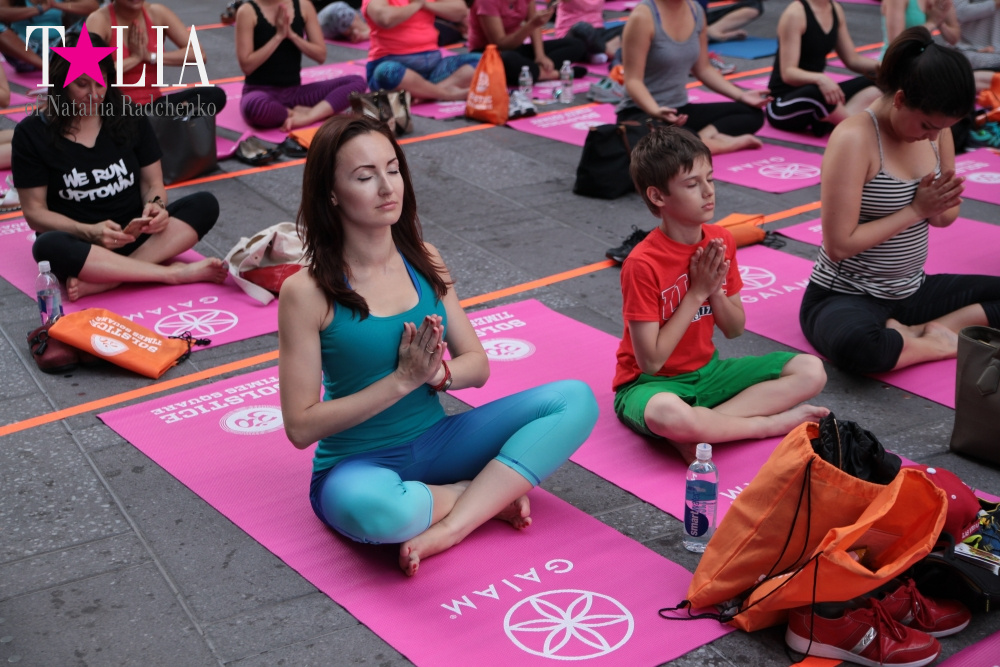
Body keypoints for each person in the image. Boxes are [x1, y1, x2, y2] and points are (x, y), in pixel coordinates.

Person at [278, 115, 599, 576]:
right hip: (357, 463)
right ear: (331, 194)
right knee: (383, 515)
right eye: (365, 177)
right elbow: (301, 427)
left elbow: (477, 365)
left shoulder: (424, 259)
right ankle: (478, 494)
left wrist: (438, 375)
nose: (387, 186)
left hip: (439, 441)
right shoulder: (305, 292)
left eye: (393, 169)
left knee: (575, 400)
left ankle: (454, 525)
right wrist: (401, 381)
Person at [613, 126, 828, 463]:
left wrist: (714, 290)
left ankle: (703, 432)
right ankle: (764, 426)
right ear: (658, 197)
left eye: (709, 179)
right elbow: (650, 362)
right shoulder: (642, 264)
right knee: (670, 414)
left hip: (709, 375)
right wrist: (696, 293)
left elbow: (734, 328)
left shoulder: (720, 241)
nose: (708, 192)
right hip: (649, 386)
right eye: (692, 185)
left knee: (811, 370)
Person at [799, 27, 1000, 375]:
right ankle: (935, 344)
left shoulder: (939, 132)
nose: (933, 136)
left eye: (942, 128)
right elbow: (839, 246)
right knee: (860, 347)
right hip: (845, 294)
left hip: (911, 290)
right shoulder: (854, 139)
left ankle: (928, 331)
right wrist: (916, 209)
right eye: (926, 126)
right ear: (901, 99)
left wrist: (939, 205)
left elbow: (943, 217)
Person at [11, 38, 227, 301]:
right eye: (82, 84)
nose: (95, 94)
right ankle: (169, 274)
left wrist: (156, 206)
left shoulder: (129, 115)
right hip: (83, 243)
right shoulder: (31, 133)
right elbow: (35, 213)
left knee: (205, 204)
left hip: (136, 235)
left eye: (101, 83)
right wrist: (89, 231)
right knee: (46, 246)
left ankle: (112, 280)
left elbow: (153, 184)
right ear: (61, 86)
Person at [617, 0, 770, 155]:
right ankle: (719, 144)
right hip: (641, 111)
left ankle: (701, 139)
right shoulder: (643, 16)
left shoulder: (695, 11)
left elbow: (703, 68)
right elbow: (633, 80)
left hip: (679, 111)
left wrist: (742, 95)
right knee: (661, 144)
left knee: (751, 113)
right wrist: (655, 110)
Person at [235, 0, 367, 131]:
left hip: (295, 94)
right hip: (259, 92)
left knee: (357, 82)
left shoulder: (303, 5)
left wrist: (293, 36)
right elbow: (247, 66)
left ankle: (309, 116)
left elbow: (320, 55)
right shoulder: (247, 11)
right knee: (256, 108)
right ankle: (292, 114)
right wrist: (278, 36)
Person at [766, 0, 882, 136]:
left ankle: (831, 119)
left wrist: (890, 67)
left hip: (817, 93)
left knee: (877, 78)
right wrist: (820, 79)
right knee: (817, 91)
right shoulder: (795, 14)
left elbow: (852, 60)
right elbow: (788, 73)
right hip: (782, 104)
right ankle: (854, 131)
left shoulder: (835, 9)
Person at [86, 0, 228, 111]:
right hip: (118, 108)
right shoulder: (99, 20)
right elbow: (89, 72)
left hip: (154, 105)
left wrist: (150, 56)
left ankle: (162, 122)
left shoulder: (157, 13)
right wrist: (134, 59)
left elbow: (199, 54)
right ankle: (163, 124)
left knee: (214, 95)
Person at [362, 0, 481, 101]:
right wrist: (416, 5)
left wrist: (425, 4)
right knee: (386, 72)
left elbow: (460, 11)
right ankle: (446, 94)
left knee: (483, 61)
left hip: (433, 70)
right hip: (396, 70)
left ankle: (426, 92)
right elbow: (384, 18)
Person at [467, 0, 587, 87]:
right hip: (487, 54)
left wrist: (540, 55)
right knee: (508, 59)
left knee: (576, 44)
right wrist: (531, 25)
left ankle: (534, 72)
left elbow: (534, 25)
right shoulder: (486, 2)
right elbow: (500, 44)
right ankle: (553, 73)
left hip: (516, 47)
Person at [0, 0, 98, 71]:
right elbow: (2, 12)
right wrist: (39, 10)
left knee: (95, 19)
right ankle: (47, 67)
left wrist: (55, 5)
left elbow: (93, 5)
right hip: (25, 52)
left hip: (56, 47)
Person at [553, 0, 624, 63]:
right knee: (582, 28)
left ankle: (595, 52)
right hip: (573, 34)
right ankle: (610, 52)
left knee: (628, 27)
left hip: (598, 34)